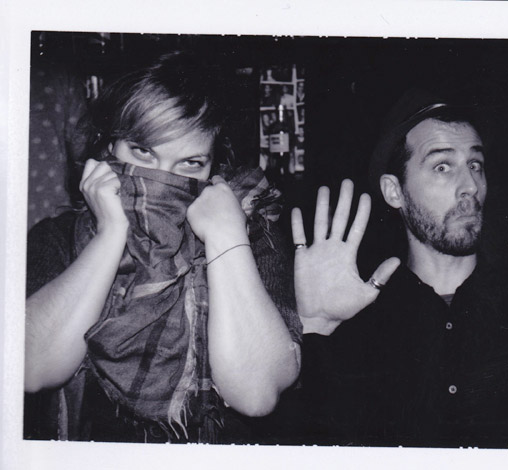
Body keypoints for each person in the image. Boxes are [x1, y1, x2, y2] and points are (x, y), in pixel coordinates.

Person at [24, 51, 302, 443]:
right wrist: (110, 235)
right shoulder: (57, 236)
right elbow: (31, 368)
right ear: (108, 148)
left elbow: (256, 394)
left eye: (190, 164)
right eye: (143, 152)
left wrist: (227, 239)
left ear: (213, 168)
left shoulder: (253, 235)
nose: (161, 179)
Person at [287, 89, 508, 448]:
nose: (470, 187)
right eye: (442, 166)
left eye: (475, 165)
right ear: (395, 192)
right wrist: (315, 328)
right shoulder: (360, 325)